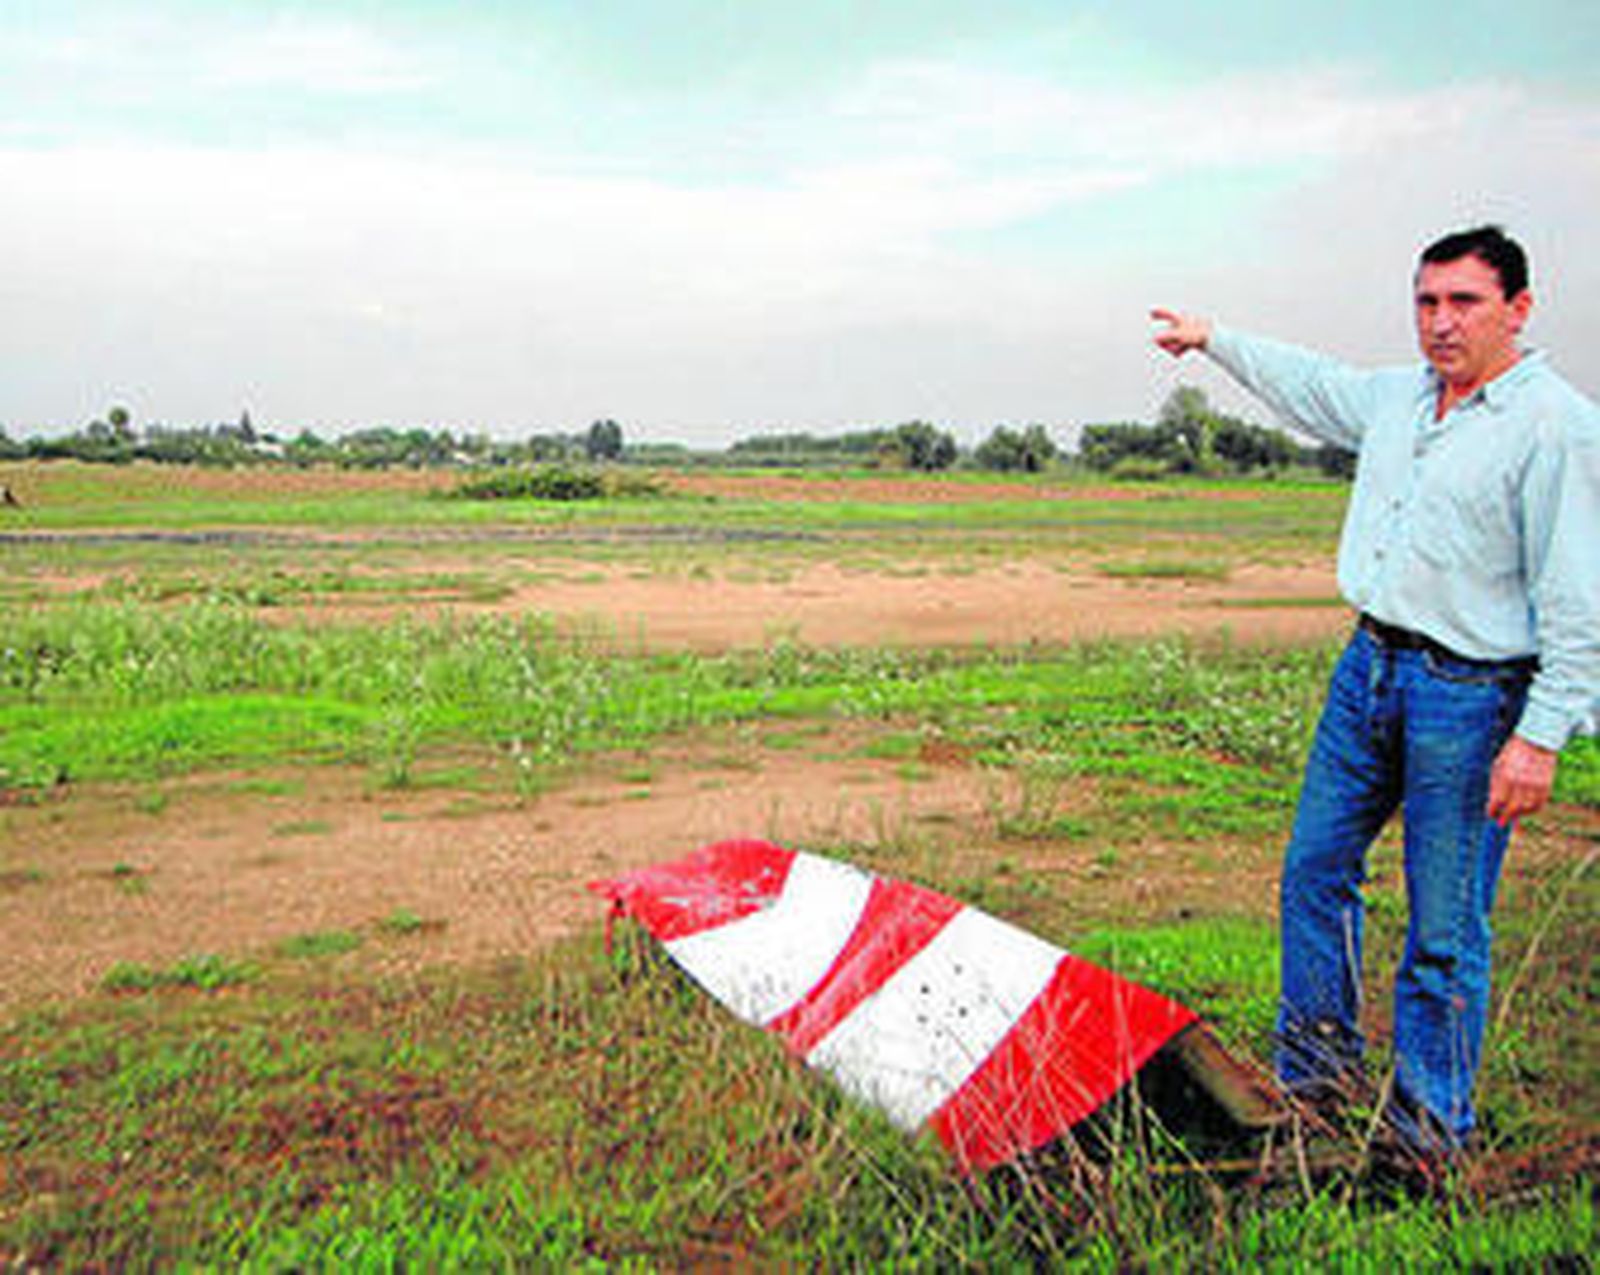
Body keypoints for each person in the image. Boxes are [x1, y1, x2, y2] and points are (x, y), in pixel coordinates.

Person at [1151, 225, 1599, 1160]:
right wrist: (1213, 337)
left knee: (1444, 927)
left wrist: (1543, 734)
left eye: (1464, 302)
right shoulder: (1398, 400)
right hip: (1370, 670)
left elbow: (1576, 592)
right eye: (1427, 302)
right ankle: (1316, 1090)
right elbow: (1309, 381)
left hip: (1472, 697)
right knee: (1315, 872)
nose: (1441, 323)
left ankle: (1426, 1138)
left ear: (1518, 309)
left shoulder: (1555, 424)